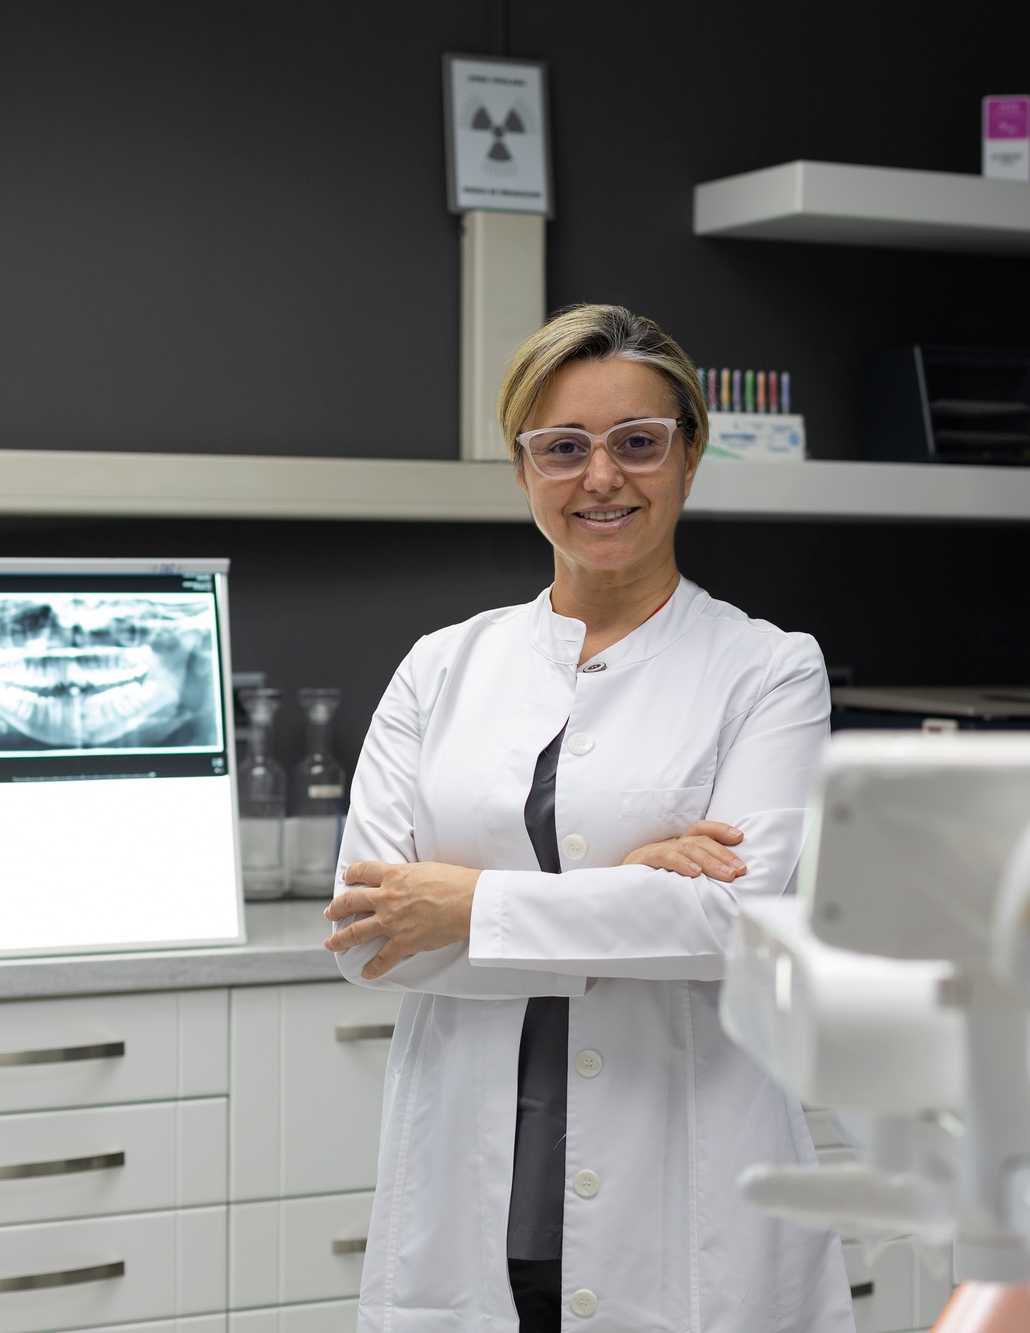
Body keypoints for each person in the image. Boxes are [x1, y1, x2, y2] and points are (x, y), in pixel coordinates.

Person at [323, 304, 852, 1332]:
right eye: (561, 448)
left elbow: (732, 925)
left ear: (689, 457)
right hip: (480, 1198)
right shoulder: (440, 667)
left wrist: (470, 902)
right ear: (522, 469)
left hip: (688, 1188)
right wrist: (634, 890)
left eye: (637, 443)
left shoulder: (768, 668)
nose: (600, 477)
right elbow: (366, 936)